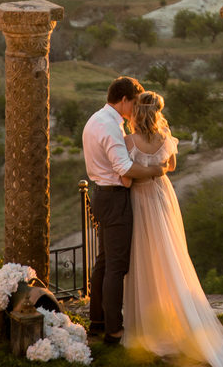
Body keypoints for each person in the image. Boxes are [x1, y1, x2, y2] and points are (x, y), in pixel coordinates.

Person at [123, 90, 223, 367]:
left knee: (143, 254)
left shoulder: (128, 141)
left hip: (139, 197)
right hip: (161, 195)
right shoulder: (164, 139)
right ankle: (175, 313)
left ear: (136, 113)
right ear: (158, 112)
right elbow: (170, 166)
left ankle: (146, 324)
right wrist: (156, 166)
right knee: (169, 250)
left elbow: (126, 174)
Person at [82, 76, 169, 345]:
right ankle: (114, 330)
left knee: (104, 262)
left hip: (101, 194)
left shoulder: (97, 119)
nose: (135, 109)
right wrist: (155, 170)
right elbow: (125, 168)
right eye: (133, 103)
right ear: (124, 100)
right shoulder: (110, 127)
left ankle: (97, 321)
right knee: (116, 267)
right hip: (114, 199)